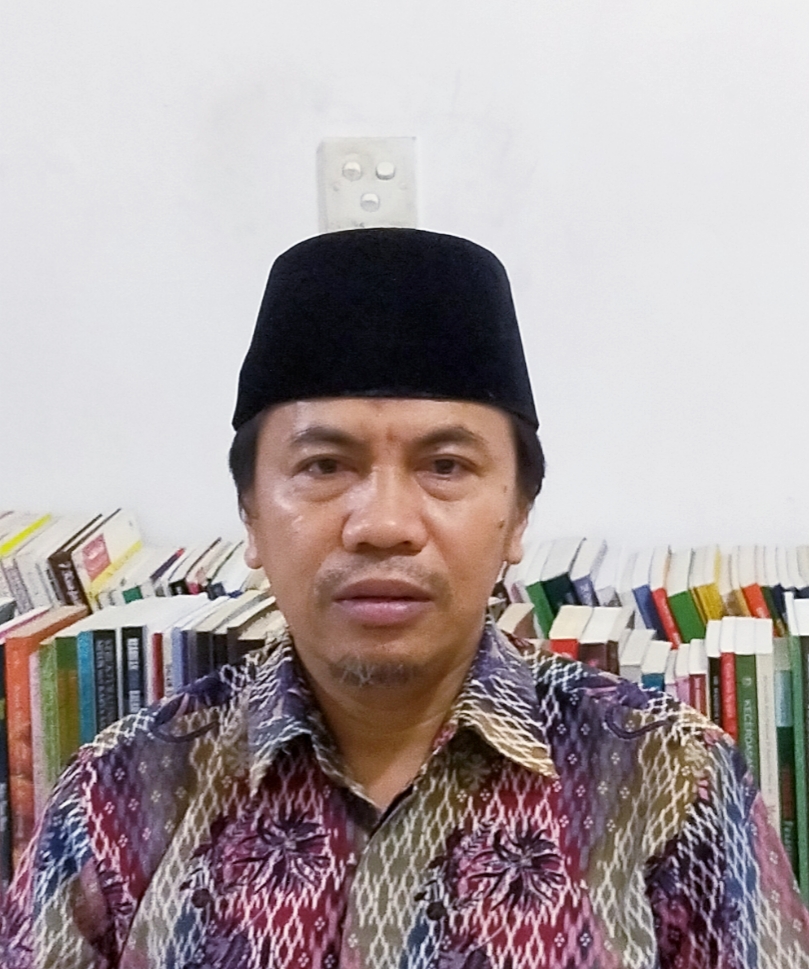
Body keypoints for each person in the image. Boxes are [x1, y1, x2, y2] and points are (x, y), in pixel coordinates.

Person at [2, 228, 808, 968]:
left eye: (445, 466)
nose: (383, 524)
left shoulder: (667, 781)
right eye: (324, 466)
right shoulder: (118, 795)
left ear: (517, 514)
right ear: (250, 514)